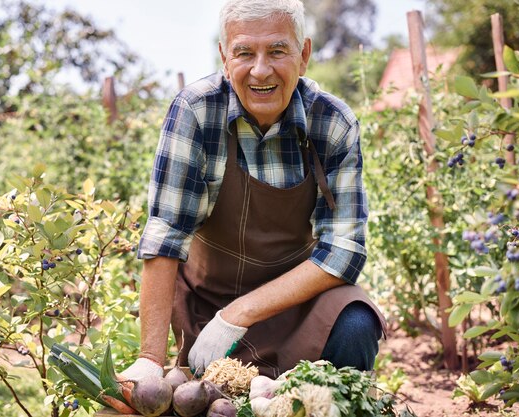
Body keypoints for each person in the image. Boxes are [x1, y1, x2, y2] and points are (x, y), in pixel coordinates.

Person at [121, 0, 386, 381]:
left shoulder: (331, 122)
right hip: (204, 308)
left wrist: (239, 313)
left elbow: (344, 252)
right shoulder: (196, 112)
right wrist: (149, 360)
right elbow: (166, 235)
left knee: (357, 322)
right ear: (225, 59)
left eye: (277, 50)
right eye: (244, 52)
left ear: (304, 54)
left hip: (295, 312)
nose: (261, 70)